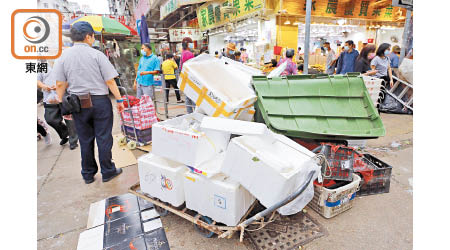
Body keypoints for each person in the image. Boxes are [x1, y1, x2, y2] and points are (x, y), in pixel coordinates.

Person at [53, 21, 124, 184]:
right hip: (100, 102)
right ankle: (107, 171)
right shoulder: (97, 55)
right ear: (87, 36)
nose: (93, 39)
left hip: (78, 104)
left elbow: (60, 84)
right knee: (103, 137)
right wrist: (119, 99)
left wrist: (62, 103)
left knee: (85, 139)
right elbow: (110, 81)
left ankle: (88, 174)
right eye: (92, 36)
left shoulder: (64, 56)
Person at [38, 61, 79, 150]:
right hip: (49, 98)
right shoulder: (42, 65)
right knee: (50, 119)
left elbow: (72, 77)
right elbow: (38, 81)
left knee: (69, 119)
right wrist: (45, 87)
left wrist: (62, 86)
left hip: (65, 96)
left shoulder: (63, 59)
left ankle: (73, 141)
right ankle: (64, 133)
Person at [180, 38, 195, 113]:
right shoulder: (188, 53)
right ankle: (195, 113)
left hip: (185, 76)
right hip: (189, 77)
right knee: (193, 97)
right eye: (191, 43)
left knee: (187, 97)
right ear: (188, 44)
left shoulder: (183, 52)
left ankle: (189, 113)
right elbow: (191, 66)